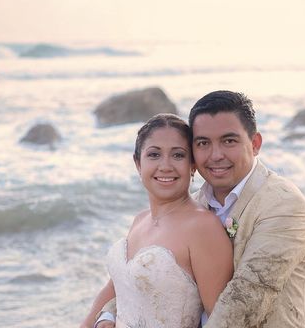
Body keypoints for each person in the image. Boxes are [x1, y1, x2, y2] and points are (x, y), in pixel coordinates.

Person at [95, 90, 305, 328]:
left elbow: (245, 301)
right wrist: (109, 316)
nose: (216, 155)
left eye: (229, 141)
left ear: (255, 143)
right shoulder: (195, 203)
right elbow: (150, 283)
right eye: (203, 143)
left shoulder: (283, 204)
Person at [80, 113, 233, 328]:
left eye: (178, 155)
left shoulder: (203, 228)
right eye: (154, 155)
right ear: (138, 163)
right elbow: (118, 285)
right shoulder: (140, 220)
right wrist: (99, 320)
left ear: (193, 166)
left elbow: (222, 320)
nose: (166, 166)